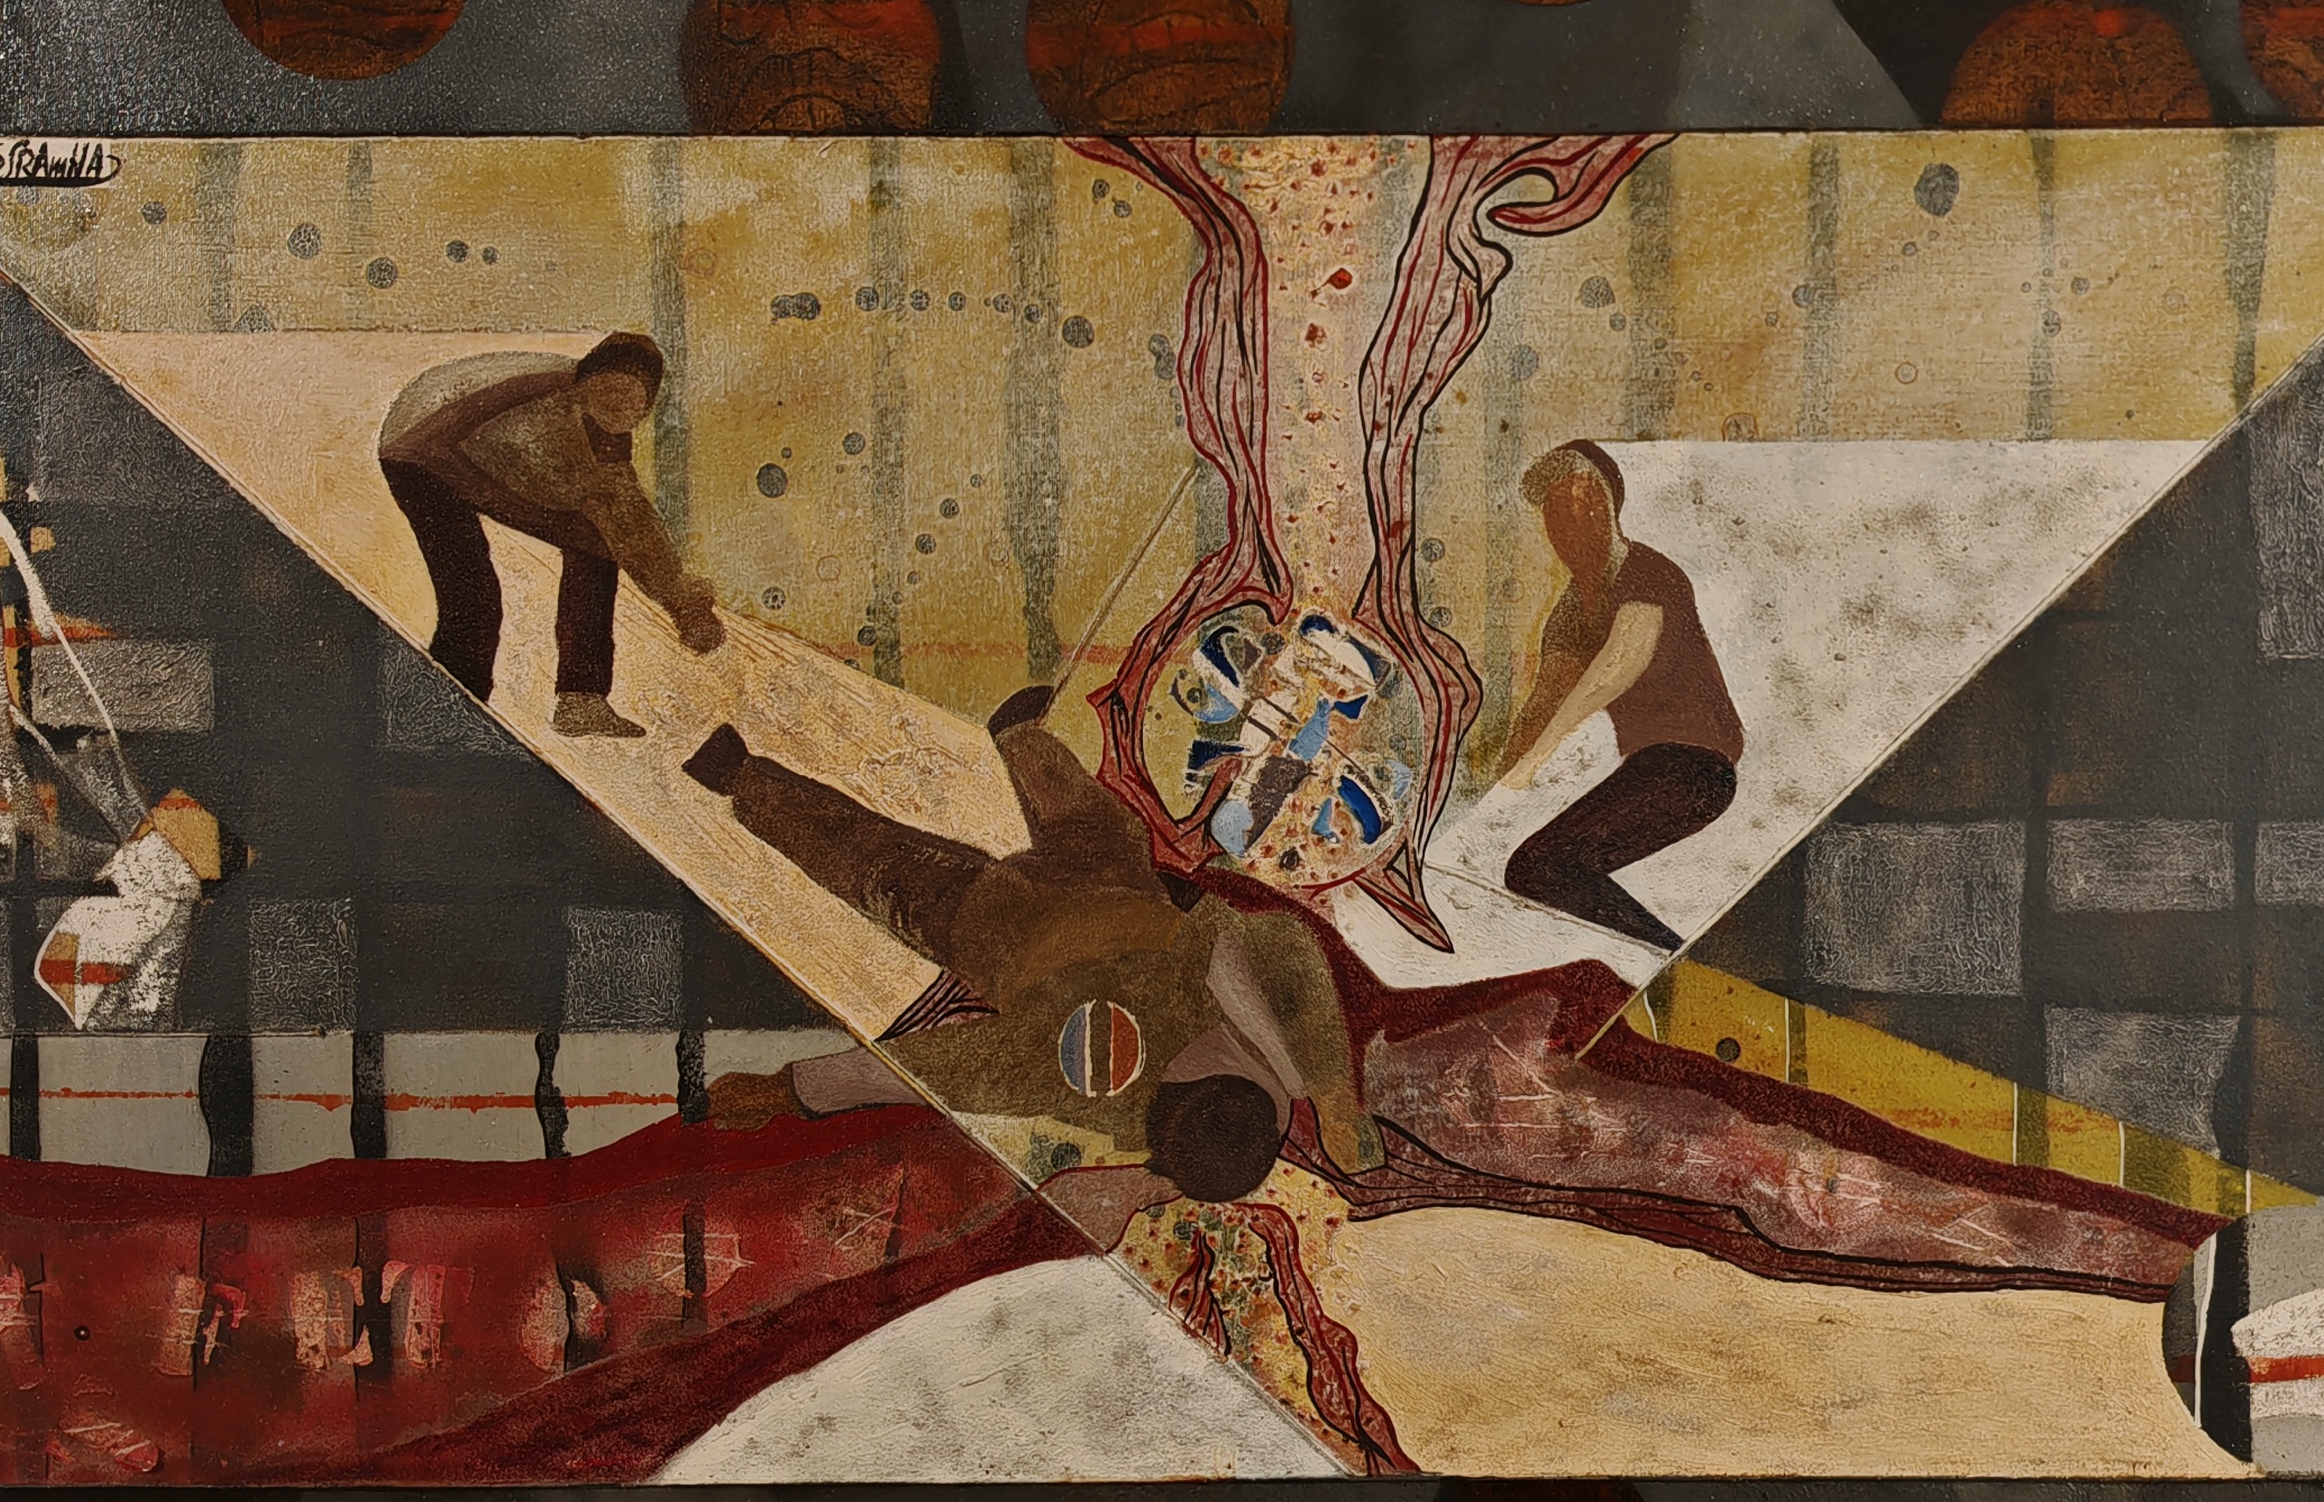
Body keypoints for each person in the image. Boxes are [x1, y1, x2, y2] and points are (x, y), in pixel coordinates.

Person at [685, 687, 1378, 1220]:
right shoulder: (1278, 1061)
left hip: (998, 923)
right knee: (1094, 818)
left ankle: (742, 780)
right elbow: (1286, 947)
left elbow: (941, 1071)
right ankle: (1018, 737)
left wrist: (790, 1090)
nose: (1194, 1051)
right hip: (1115, 878)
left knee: (875, 862)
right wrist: (1333, 1091)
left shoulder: (1087, 1077)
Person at [375, 332, 724, 735]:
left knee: (595, 543)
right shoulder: (554, 413)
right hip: (420, 451)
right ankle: (449, 708)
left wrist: (685, 605)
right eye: (609, 389)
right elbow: (616, 515)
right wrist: (683, 606)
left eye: (633, 398)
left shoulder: (601, 432)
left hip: (483, 460)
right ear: (584, 383)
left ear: (646, 408)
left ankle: (582, 701)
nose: (619, 403)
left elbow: (631, 524)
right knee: (475, 597)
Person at [1491, 441, 1742, 949]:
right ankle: (1663, 953)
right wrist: (1494, 781)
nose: (1569, 528)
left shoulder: (1648, 572)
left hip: (1695, 767)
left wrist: (1534, 761)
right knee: (1540, 869)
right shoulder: (1570, 611)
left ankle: (1670, 956)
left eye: (1582, 507)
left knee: (1542, 866)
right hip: (1654, 766)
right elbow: (1546, 698)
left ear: (1610, 509)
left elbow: (1616, 667)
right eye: (1555, 516)